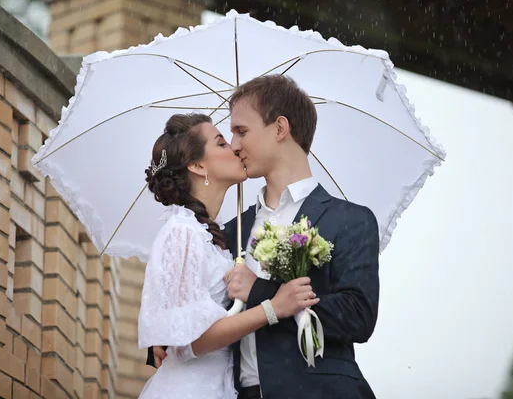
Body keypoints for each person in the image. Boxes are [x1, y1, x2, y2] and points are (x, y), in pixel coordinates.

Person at [150, 75, 381, 399]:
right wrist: (167, 336)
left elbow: (358, 316)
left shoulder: (350, 220)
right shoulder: (226, 234)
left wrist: (262, 291)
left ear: (279, 128)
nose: (234, 145)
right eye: (229, 135)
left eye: (241, 131)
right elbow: (198, 314)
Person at [138, 113, 320, 399]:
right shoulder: (181, 231)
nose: (235, 148)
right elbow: (189, 342)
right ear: (198, 165)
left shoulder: (216, 236)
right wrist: (272, 308)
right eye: (222, 143)